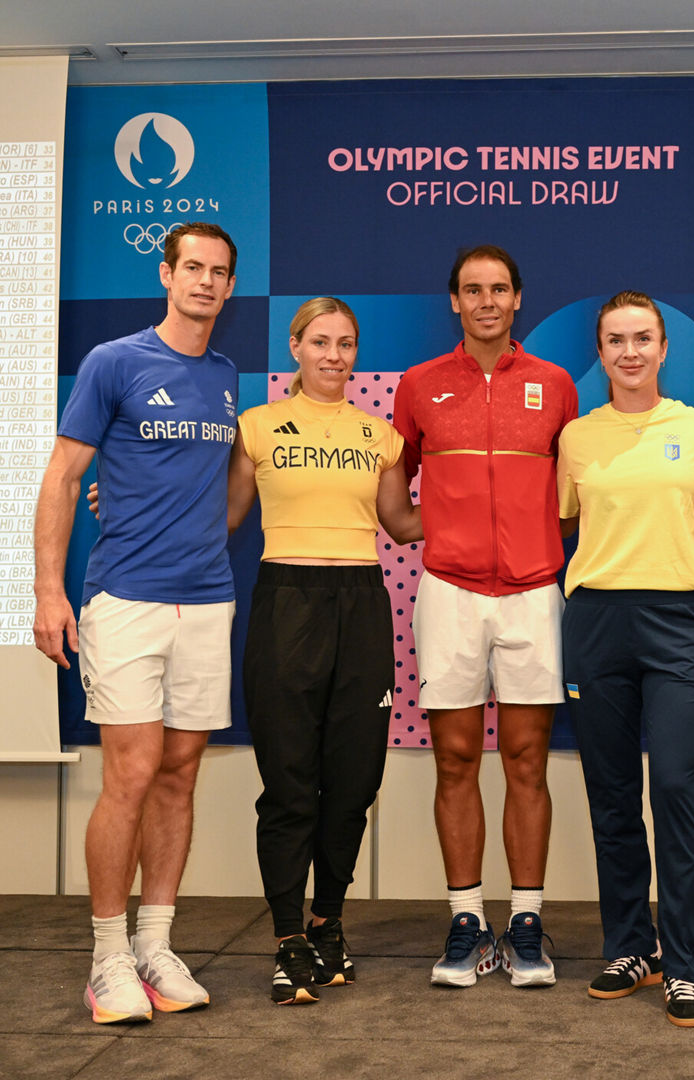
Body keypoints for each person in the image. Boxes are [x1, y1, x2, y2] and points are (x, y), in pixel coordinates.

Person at [32, 222, 239, 1024]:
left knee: (180, 773)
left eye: (220, 273)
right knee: (129, 773)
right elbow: (63, 476)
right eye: (193, 268)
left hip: (208, 600)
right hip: (124, 599)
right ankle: (107, 958)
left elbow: (205, 491)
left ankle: (156, 944)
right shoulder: (114, 361)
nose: (206, 283)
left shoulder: (225, 375)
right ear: (167, 273)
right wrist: (50, 592)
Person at [391, 245, 578, 988]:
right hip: (449, 592)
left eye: (499, 288)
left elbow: (578, 485)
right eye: (473, 290)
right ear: (454, 303)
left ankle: (526, 922)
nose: (487, 301)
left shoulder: (556, 385)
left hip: (534, 592)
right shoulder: (420, 385)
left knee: (529, 761)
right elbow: (392, 481)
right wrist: (419, 527)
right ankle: (468, 922)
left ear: (519, 298)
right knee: (457, 760)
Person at [229, 297, 421, 1005]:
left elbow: (401, 525)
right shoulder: (255, 428)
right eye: (320, 342)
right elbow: (221, 518)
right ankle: (287, 941)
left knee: (352, 783)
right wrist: (128, 504)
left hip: (361, 606)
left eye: (345, 343)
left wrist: (490, 503)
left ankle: (327, 923)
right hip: (285, 601)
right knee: (288, 782)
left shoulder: (382, 436)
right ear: (295, 347)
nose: (334, 355)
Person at [559, 291, 694, 1028]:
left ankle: (687, 966)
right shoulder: (575, 437)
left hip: (678, 621)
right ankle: (631, 946)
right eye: (616, 340)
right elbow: (569, 519)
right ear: (600, 352)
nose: (630, 352)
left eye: (643, 339)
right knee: (612, 793)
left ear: (664, 348)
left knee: (678, 791)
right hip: (597, 620)